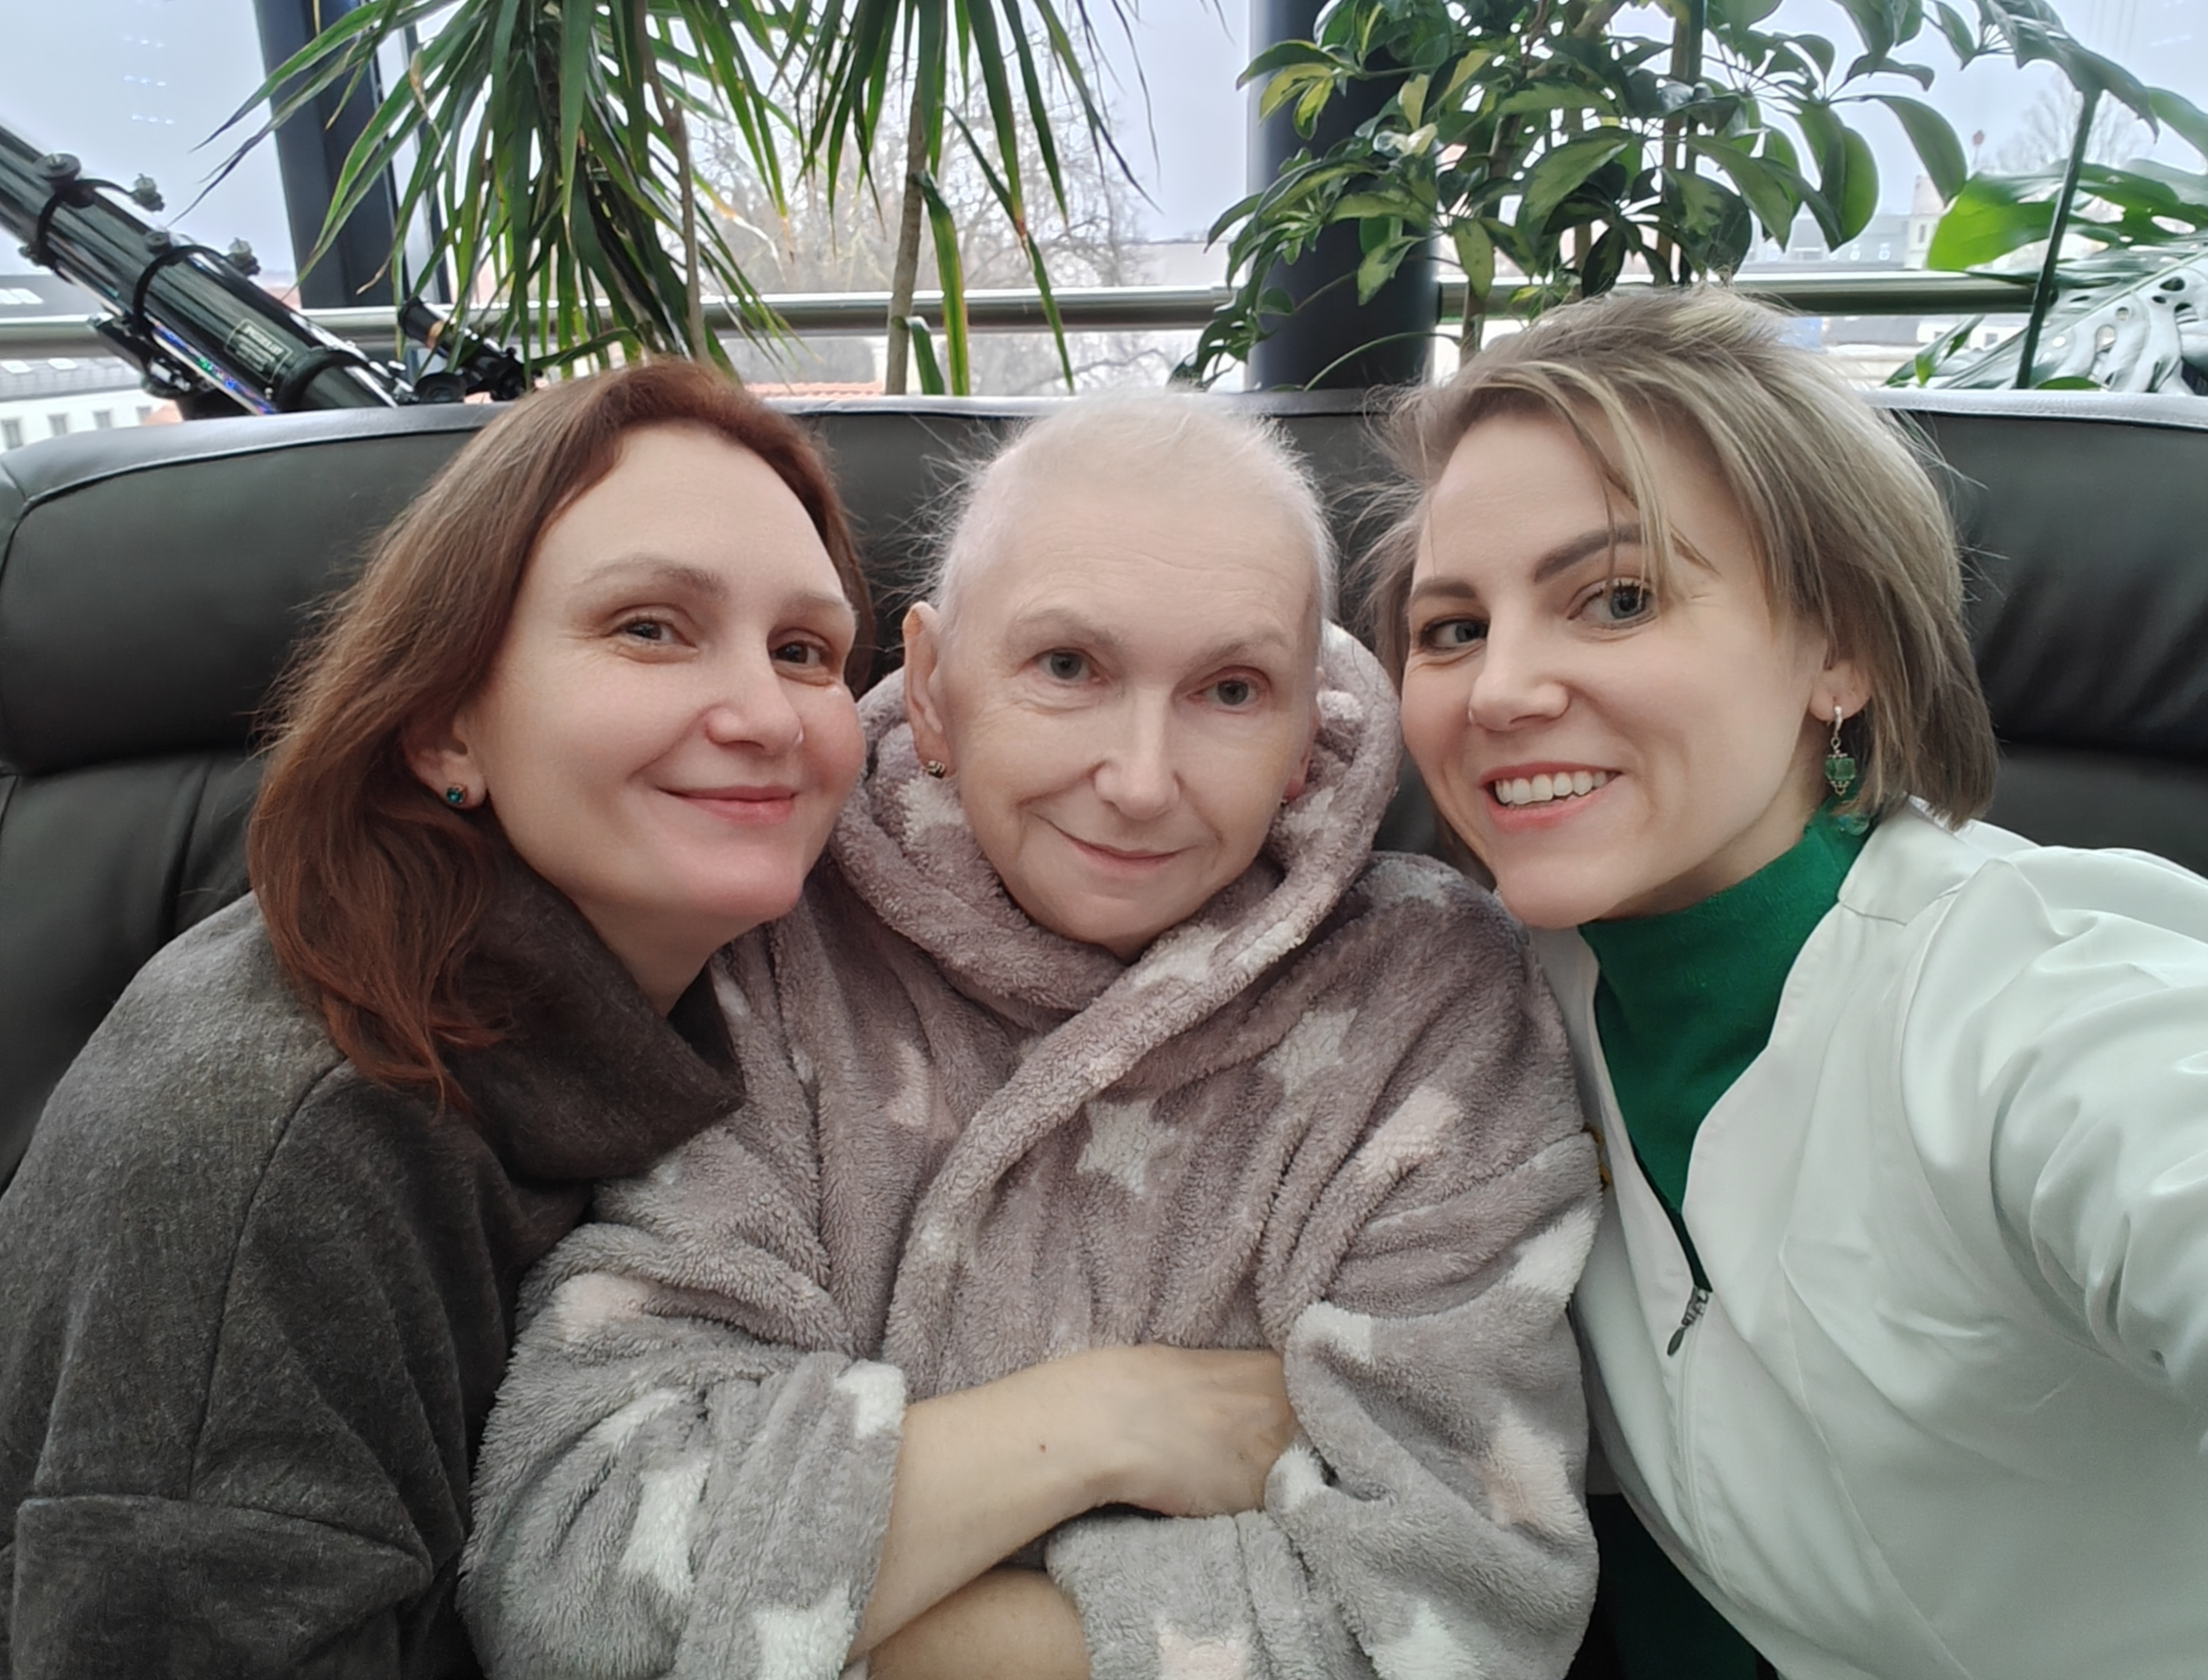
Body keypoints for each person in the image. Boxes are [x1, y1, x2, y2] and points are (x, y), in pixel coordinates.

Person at [460, 391, 1604, 1680]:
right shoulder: (775, 939)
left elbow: (1462, 1614)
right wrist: (1104, 1426)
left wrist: (817, 1622)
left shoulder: (1427, 1002)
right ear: (933, 691)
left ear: (1307, 735)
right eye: (1067, 668)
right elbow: (575, 1572)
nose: (1140, 781)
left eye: (1233, 690)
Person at [0, 361, 873, 1677]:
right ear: (448, 726)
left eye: (805, 652)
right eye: (650, 629)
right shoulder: (290, 1155)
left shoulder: (712, 987)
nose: (767, 717)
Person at [1375, 285, 2208, 1680]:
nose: (1499, 691)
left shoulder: (2034, 1001)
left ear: (1841, 651)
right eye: (1451, 628)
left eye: (1618, 599)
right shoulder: (1473, 1010)